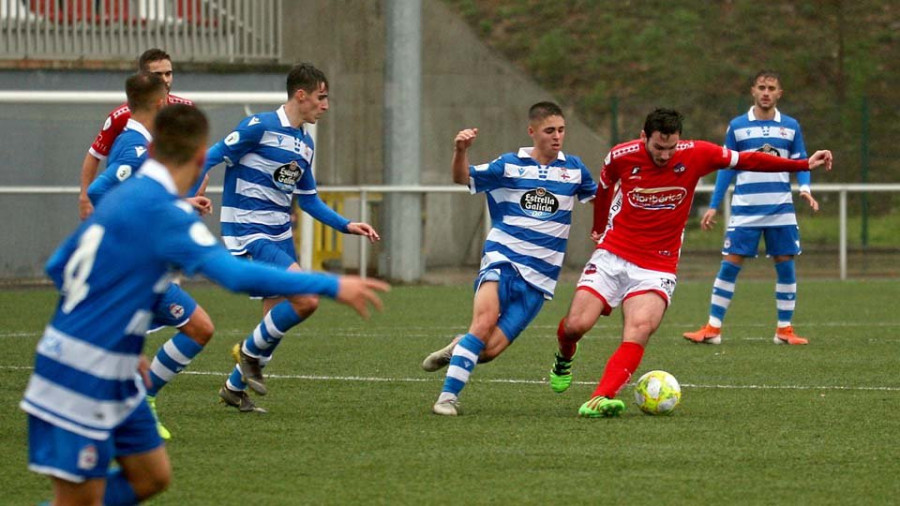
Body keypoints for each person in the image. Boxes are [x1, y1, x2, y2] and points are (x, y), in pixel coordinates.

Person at [20, 104, 388, 506]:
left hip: (110, 365)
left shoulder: (127, 195)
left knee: (152, 478)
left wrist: (119, 343)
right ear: (200, 159)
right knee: (78, 502)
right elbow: (232, 275)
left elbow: (60, 267)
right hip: (79, 374)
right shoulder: (162, 210)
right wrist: (330, 283)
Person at [548, 108, 832, 418]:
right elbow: (604, 188)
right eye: (658, 147)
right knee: (575, 326)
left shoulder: (697, 153)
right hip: (613, 254)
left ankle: (602, 396)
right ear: (644, 138)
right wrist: (599, 228)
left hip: (658, 264)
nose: (665, 155)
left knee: (640, 328)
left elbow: (748, 159)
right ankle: (564, 356)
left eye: (671, 148)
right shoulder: (621, 156)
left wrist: (802, 163)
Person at [195, 63, 381, 410]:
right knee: (307, 298)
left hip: (281, 236)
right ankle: (247, 353)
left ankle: (234, 389)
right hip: (250, 233)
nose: (325, 105)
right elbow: (208, 157)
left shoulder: (305, 143)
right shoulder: (259, 126)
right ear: (301, 95)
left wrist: (346, 224)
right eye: (321, 98)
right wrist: (190, 195)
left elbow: (308, 199)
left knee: (274, 321)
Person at [420, 101, 598, 416]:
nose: (557, 136)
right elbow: (462, 178)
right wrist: (460, 150)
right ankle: (447, 398)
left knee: (487, 351)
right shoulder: (509, 165)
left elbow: (601, 197)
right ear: (532, 132)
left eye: (561, 130)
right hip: (503, 260)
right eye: (549, 131)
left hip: (540, 278)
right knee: (484, 322)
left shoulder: (574, 169)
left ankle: (460, 346)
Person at [87, 71, 213, 441]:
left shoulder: (143, 144)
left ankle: (141, 400)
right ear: (160, 103)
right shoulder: (133, 146)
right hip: (131, 272)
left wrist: (182, 201)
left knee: (198, 328)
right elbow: (99, 190)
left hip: (141, 271)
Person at [683, 71, 817, 346]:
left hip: (781, 210)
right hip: (745, 211)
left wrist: (805, 189)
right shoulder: (737, 126)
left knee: (786, 265)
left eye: (771, 88)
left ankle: (784, 329)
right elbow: (725, 166)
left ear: (780, 93)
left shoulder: (791, 126)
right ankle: (713, 328)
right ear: (753, 91)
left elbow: (802, 161)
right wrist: (714, 205)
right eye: (761, 87)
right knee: (730, 264)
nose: (766, 92)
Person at [78, 48, 193, 220]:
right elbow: (95, 154)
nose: (165, 80)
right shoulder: (121, 117)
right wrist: (84, 198)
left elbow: (193, 157)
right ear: (143, 77)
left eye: (168, 74)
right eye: (158, 75)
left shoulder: (185, 110)